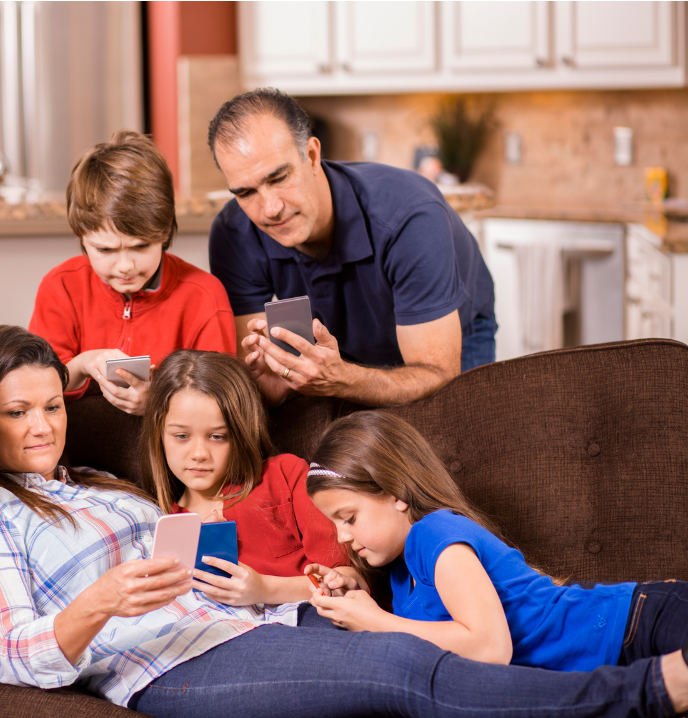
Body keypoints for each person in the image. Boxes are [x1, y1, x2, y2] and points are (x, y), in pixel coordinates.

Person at [0, 324, 688, 718]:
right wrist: (100, 600)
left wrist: (296, 589)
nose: (44, 427)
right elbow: (16, 652)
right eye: (15, 413)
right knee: (401, 667)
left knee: (422, 634)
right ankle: (647, 694)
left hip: (249, 622)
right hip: (170, 660)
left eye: (52, 406)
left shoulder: (105, 488)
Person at [304, 410, 688, 672]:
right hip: (620, 649)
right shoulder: (402, 575)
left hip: (632, 625)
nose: (342, 536)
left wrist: (375, 622)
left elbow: (490, 648)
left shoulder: (432, 533)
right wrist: (360, 594)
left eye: (349, 517)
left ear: (396, 492)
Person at [206, 88, 497, 407]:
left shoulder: (410, 217)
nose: (271, 208)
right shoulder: (233, 234)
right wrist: (270, 386)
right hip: (338, 352)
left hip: (443, 346)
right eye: (246, 193)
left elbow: (436, 374)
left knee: (446, 439)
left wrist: (343, 379)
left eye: (279, 178)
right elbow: (254, 365)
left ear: (312, 156)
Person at [29, 129, 236, 416]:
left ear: (164, 232)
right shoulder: (60, 286)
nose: (125, 266)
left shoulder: (204, 297)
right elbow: (35, 388)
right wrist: (84, 363)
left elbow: (223, 403)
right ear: (81, 236)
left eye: (140, 246)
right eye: (105, 250)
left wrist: (158, 403)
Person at [140, 349, 358, 605]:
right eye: (181, 436)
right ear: (159, 436)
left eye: (217, 436)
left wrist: (266, 588)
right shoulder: (167, 524)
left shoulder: (284, 476)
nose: (199, 454)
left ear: (241, 434)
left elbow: (349, 579)